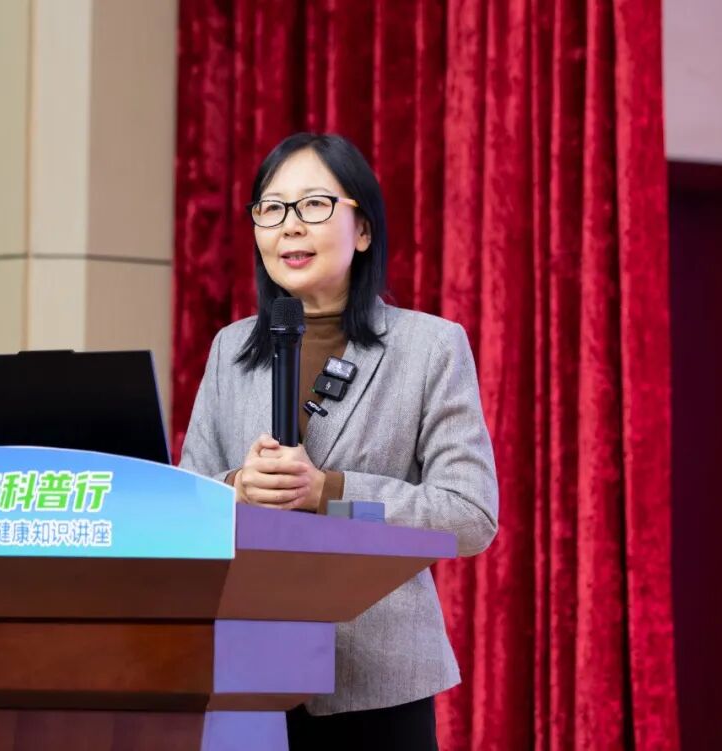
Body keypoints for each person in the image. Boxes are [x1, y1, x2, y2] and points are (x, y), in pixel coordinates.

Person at [178, 132, 499, 750]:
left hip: (377, 679)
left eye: (314, 205)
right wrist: (236, 488)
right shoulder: (230, 349)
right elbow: (188, 503)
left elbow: (470, 516)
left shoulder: (430, 347)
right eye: (272, 208)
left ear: (364, 230)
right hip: (246, 671)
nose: (290, 226)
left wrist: (329, 492)